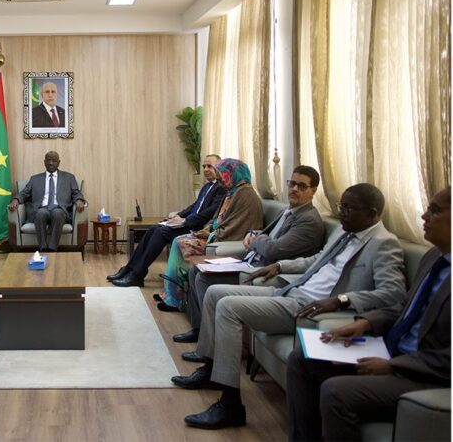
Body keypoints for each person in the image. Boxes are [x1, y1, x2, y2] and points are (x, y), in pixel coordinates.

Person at [174, 183, 407, 431]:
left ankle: (230, 404)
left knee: (228, 307)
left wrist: (341, 300)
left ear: (371, 213)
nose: (342, 213)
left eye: (349, 209)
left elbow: (394, 293)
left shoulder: (384, 243)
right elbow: (316, 260)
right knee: (214, 293)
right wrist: (280, 266)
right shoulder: (345, 232)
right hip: (292, 290)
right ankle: (211, 369)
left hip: (309, 308)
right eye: (341, 206)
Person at [286, 186, 450, 442]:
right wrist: (365, 323)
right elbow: (404, 306)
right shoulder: (434, 257)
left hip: (423, 373)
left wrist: (393, 365)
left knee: (335, 391)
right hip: (392, 350)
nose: (424, 216)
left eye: (435, 211)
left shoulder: (385, 243)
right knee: (301, 358)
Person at [174, 165, 326, 345]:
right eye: (292, 183)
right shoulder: (289, 210)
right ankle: (199, 329)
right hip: (249, 261)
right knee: (196, 270)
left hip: (261, 271)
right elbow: (265, 235)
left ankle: (208, 341)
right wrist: (254, 234)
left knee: (203, 278)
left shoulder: (308, 220)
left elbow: (272, 250)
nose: (294, 189)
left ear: (313, 191)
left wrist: (256, 237)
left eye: (301, 186)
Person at [138, 159, 263, 309]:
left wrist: (211, 233)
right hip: (214, 232)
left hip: (225, 238)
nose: (220, 179)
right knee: (172, 236)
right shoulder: (233, 191)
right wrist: (206, 228)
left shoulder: (245, 194)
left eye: (222, 175)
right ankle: (169, 292)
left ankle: (175, 299)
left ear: (233, 174)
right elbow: (217, 218)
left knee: (180, 242)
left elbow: (238, 224)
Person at [107, 154, 225, 288]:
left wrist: (185, 221)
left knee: (161, 233)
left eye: (209, 166)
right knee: (154, 228)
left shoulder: (221, 188)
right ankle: (129, 269)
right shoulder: (207, 186)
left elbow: (208, 213)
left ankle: (137, 275)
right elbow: (194, 207)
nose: (205, 169)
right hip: (188, 223)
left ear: (219, 168)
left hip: (198, 228)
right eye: (204, 166)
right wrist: (177, 216)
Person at [8, 151, 86, 251]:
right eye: (48, 160)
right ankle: (43, 248)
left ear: (59, 162)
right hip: (41, 209)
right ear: (44, 162)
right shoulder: (35, 179)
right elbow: (24, 193)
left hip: (60, 210)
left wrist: (79, 200)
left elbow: (76, 192)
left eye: (54, 160)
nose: (51, 163)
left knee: (57, 213)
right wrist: (16, 199)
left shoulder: (69, 177)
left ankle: (52, 249)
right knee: (41, 213)